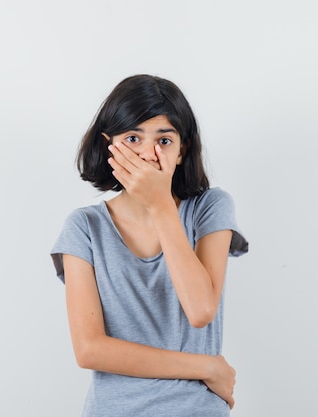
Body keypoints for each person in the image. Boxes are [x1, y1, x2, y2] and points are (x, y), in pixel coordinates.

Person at [50, 74, 249, 416]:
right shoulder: (84, 227)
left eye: (165, 140)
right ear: (108, 145)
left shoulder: (210, 208)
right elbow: (89, 350)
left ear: (182, 149)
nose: (148, 153)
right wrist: (206, 367)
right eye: (132, 138)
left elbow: (201, 310)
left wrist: (160, 206)